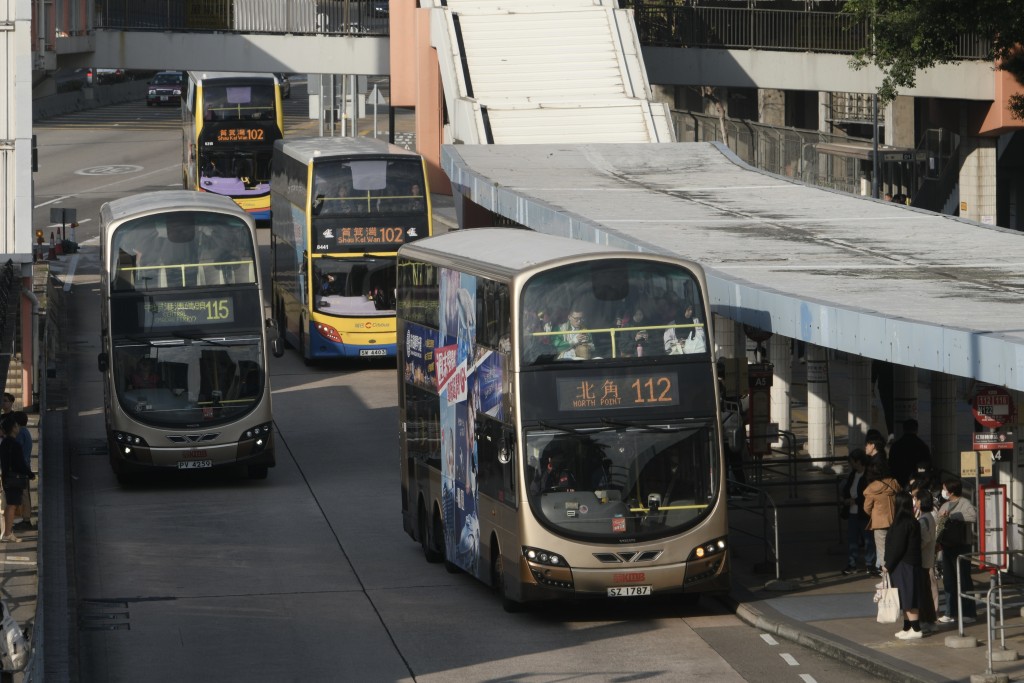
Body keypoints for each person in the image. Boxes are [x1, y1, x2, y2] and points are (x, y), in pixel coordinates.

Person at [936, 478, 978, 625]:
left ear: (951, 491)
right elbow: (938, 523)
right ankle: (950, 612)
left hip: (961, 546)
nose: (943, 491)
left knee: (964, 578)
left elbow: (973, 516)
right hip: (947, 546)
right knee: (948, 580)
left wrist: (954, 516)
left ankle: (969, 612)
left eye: (944, 488)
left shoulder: (964, 503)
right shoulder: (945, 504)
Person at [885, 492, 923, 639]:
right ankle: (907, 627)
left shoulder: (902, 524)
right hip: (908, 564)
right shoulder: (912, 522)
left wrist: (888, 565)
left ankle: (916, 628)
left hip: (904, 564)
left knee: (908, 596)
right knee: (905, 596)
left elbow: (898, 547)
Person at [840, 449, 875, 574]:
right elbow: (846, 489)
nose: (851, 465)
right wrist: (846, 499)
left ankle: (870, 564)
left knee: (868, 539)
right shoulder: (853, 475)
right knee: (852, 539)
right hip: (852, 512)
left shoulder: (867, 476)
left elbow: (868, 495)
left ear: (858, 461)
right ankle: (852, 563)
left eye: (852, 462)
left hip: (863, 512)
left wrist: (854, 501)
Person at [863, 458, 900, 574]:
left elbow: (866, 508)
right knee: (895, 549)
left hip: (880, 524)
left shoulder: (872, 488)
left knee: (882, 552)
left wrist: (876, 514)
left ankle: (886, 579)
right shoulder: (894, 482)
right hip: (896, 521)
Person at [0, 414, 33, 543]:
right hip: (15, 478)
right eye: (16, 426)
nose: (17, 427)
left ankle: (7, 531)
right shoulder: (14, 444)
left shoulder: (4, 444)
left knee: (9, 505)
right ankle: (8, 532)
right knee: (12, 505)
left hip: (7, 477)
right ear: (13, 428)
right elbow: (19, 463)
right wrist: (30, 474)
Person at [913, 488, 939, 633]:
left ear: (921, 501)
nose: (915, 502)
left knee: (923, 592)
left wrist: (915, 548)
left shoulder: (924, 519)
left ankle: (926, 620)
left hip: (923, 560)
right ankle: (929, 620)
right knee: (926, 591)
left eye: (916, 499)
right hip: (927, 559)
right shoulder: (928, 516)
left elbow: (925, 539)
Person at [889, 418, 932, 489]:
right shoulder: (922, 446)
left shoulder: (896, 446)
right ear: (916, 430)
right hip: (917, 482)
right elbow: (927, 465)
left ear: (904, 429)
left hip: (899, 481)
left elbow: (891, 464)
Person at [12, 412, 33, 532]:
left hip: (21, 468)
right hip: (25, 467)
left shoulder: (20, 433)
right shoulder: (26, 432)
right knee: (24, 494)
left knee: (24, 494)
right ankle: (25, 519)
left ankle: (26, 520)